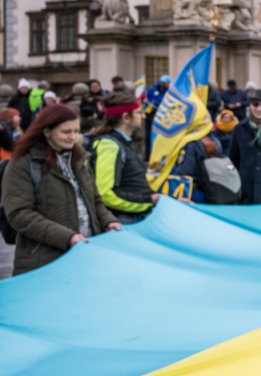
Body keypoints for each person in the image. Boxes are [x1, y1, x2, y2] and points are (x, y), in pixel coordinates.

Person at [1, 104, 120, 275]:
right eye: (66, 132)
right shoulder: (23, 163)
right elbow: (20, 214)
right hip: (44, 263)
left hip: (87, 254)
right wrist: (67, 237)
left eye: (76, 131)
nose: (73, 137)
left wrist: (109, 221)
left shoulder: (80, 160)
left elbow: (94, 201)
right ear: (47, 131)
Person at [90, 91, 159, 224]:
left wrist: (155, 197)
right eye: (139, 113)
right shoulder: (109, 145)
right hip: (124, 220)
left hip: (135, 216)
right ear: (126, 117)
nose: (143, 116)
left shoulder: (126, 141)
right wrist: (148, 201)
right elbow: (105, 194)